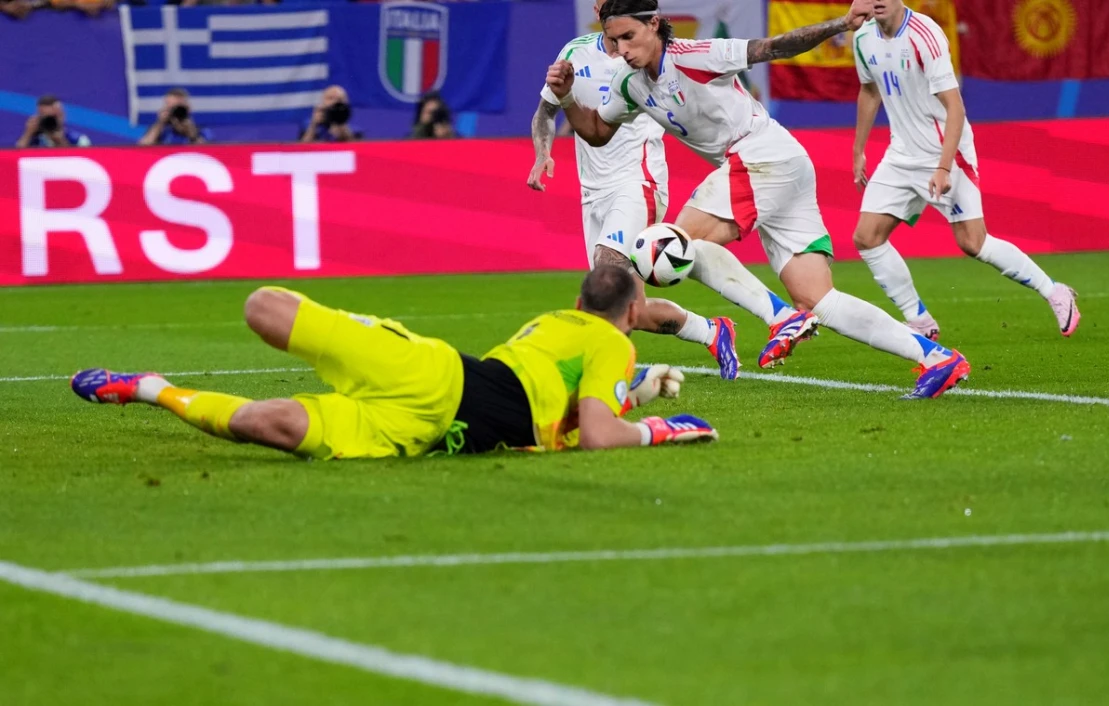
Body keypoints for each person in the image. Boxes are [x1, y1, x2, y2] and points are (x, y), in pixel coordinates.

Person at [547, 0, 971, 399]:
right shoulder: (630, 83)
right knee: (819, 299)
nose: (621, 50)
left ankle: (779, 317)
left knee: (668, 244)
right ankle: (936, 358)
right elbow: (597, 133)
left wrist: (841, 24)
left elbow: (774, 47)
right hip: (778, 165)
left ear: (654, 23)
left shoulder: (696, 55)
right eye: (614, 41)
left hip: (760, 155)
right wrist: (566, 97)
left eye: (629, 37)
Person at [70, 266, 717, 459]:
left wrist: (632, 392)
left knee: (268, 420)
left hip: (430, 426)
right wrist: (659, 426)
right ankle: (155, 392)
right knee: (267, 323)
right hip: (436, 384)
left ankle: (147, 388)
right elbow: (596, 434)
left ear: (578, 300)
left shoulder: (552, 324)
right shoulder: (613, 341)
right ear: (633, 313)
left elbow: (558, 405)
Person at [528, 0, 739, 380]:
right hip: (592, 193)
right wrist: (542, 153)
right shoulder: (574, 52)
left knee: (607, 275)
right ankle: (713, 331)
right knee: (632, 310)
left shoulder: (644, 53)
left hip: (637, 182)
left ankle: (606, 381)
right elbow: (546, 109)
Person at [851, 0, 1080, 339]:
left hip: (946, 150)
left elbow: (954, 106)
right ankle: (920, 321)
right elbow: (870, 91)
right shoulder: (862, 38)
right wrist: (858, 149)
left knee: (973, 242)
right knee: (866, 238)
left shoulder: (925, 34)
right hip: (901, 154)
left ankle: (1055, 292)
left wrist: (943, 167)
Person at [138, 88, 212, 146]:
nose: (175, 111)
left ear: (188, 108)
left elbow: (207, 151)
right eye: (170, 106)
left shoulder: (201, 129)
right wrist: (160, 122)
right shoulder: (159, 129)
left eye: (178, 107)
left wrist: (191, 133)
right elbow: (144, 146)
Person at [15, 95, 91, 148]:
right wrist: (28, 133)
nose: (50, 121)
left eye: (53, 116)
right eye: (45, 116)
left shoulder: (79, 139)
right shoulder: (34, 140)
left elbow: (80, 164)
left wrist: (60, 142)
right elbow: (16, 158)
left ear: (62, 115)